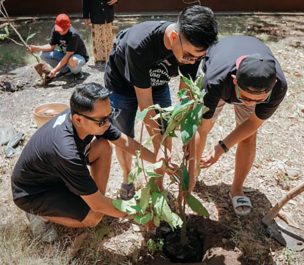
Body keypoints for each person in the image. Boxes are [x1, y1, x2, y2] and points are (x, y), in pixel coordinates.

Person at [11, 82, 163, 243]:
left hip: (56, 174)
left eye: (110, 116)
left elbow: (123, 141)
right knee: (94, 217)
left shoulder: (88, 118)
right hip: (33, 191)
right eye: (102, 121)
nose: (107, 123)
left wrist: (158, 159)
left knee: (103, 147)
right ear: (78, 119)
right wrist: (140, 215)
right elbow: (98, 207)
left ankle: (94, 197)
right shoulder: (67, 152)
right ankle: (39, 215)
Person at [104, 5, 218, 199]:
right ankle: (127, 177)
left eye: (199, 57)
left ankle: (158, 185)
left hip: (157, 85)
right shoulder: (139, 45)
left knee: (165, 134)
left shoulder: (194, 50)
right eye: (189, 56)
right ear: (174, 37)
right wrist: (160, 144)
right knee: (124, 135)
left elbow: (185, 97)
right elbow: (146, 105)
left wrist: (188, 142)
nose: (192, 61)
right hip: (122, 85)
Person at [191, 36, 288, 216]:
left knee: (248, 136)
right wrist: (191, 175)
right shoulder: (214, 81)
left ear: (272, 85)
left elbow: (253, 123)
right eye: (246, 98)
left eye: (259, 100)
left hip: (244, 63)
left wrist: (221, 147)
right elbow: (202, 129)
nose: (251, 104)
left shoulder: (279, 85)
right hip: (219, 74)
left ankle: (236, 189)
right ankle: (191, 177)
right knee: (200, 127)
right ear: (235, 80)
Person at [28, 13, 88, 80]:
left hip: (78, 57)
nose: (61, 32)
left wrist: (55, 70)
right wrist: (37, 48)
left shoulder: (73, 35)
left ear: (69, 26)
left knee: (72, 60)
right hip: (64, 54)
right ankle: (65, 70)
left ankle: (77, 73)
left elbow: (68, 55)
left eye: (64, 30)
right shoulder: (55, 30)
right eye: (60, 29)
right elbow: (51, 46)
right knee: (43, 54)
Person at [82, 0, 118, 64]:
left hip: (108, 14)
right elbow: (86, 2)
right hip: (96, 15)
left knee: (109, 37)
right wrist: (86, 17)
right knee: (97, 38)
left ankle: (110, 56)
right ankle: (100, 58)